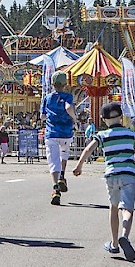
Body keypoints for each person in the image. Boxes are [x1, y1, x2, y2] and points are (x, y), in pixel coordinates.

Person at [73, 101, 135, 261]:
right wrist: (129, 157)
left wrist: (79, 166)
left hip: (111, 174)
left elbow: (88, 149)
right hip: (129, 174)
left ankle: (114, 244)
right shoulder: (131, 134)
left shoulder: (102, 135)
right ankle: (124, 236)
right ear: (121, 117)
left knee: (113, 208)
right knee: (127, 209)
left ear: (103, 119)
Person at [42, 71, 78, 205]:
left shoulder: (47, 98)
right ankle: (62, 175)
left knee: (53, 161)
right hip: (66, 132)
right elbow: (68, 107)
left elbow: (42, 116)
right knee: (64, 152)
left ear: (52, 84)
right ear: (65, 84)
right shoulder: (68, 96)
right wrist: (74, 118)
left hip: (52, 132)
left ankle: (55, 187)